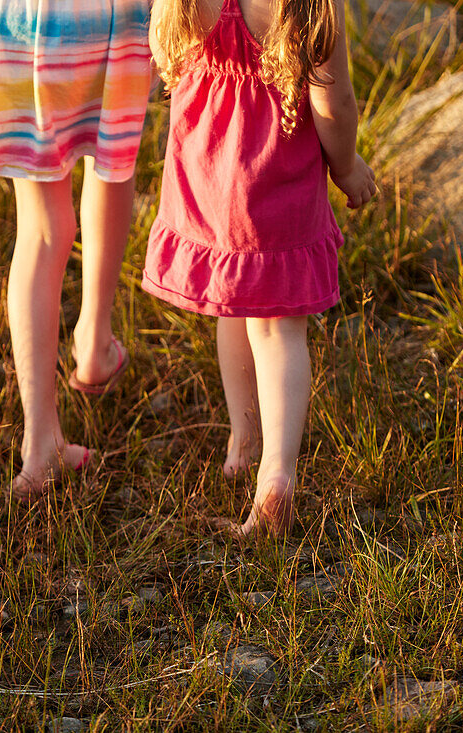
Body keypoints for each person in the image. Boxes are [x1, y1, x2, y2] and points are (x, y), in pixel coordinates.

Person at [142, 0, 376, 536]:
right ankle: (275, 477)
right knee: (277, 329)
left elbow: (164, 52)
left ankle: (243, 442)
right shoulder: (311, 5)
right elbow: (333, 102)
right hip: (277, 183)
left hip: (211, 176)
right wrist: (345, 165)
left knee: (234, 303)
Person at [0, 0, 153, 499]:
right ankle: (93, 343)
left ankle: (41, 445)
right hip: (110, 18)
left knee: (42, 228)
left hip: (21, 21)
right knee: (112, 155)